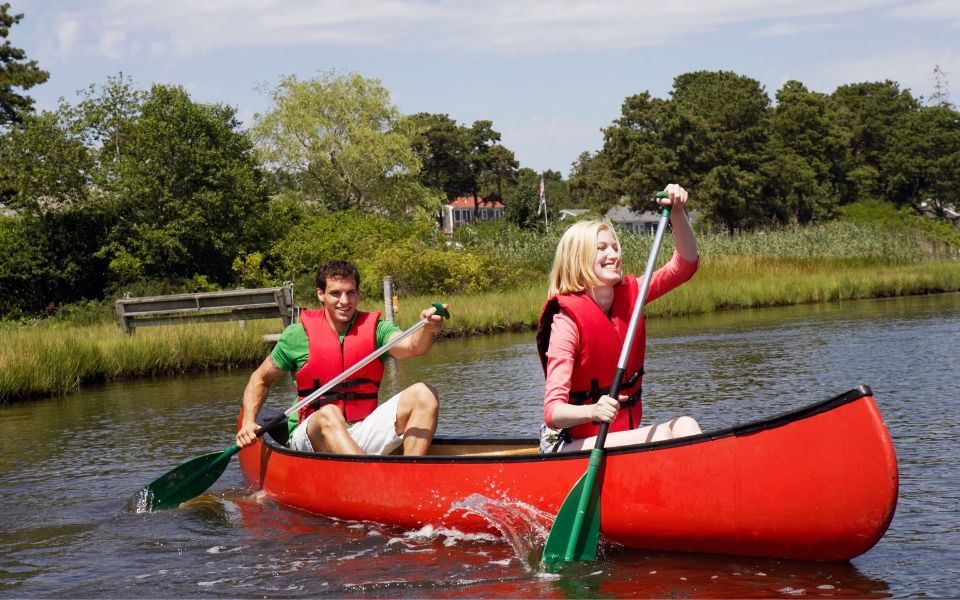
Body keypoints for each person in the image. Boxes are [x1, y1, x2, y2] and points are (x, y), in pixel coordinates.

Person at [536, 183, 702, 453]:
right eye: (602, 249)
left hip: (616, 438)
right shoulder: (566, 322)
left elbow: (685, 265)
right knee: (676, 431)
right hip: (568, 444)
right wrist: (593, 410)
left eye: (615, 247)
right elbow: (553, 412)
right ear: (578, 259)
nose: (614, 255)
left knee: (684, 426)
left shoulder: (633, 295)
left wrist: (677, 213)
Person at [236, 259, 446, 456]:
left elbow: (412, 346)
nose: (344, 301)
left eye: (350, 293)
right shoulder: (297, 336)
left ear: (358, 294)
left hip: (361, 430)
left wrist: (427, 329)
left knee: (425, 394)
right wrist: (248, 422)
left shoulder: (376, 330)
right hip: (311, 437)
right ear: (321, 294)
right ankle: (368, 478)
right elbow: (260, 379)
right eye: (335, 293)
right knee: (330, 413)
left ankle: (410, 475)